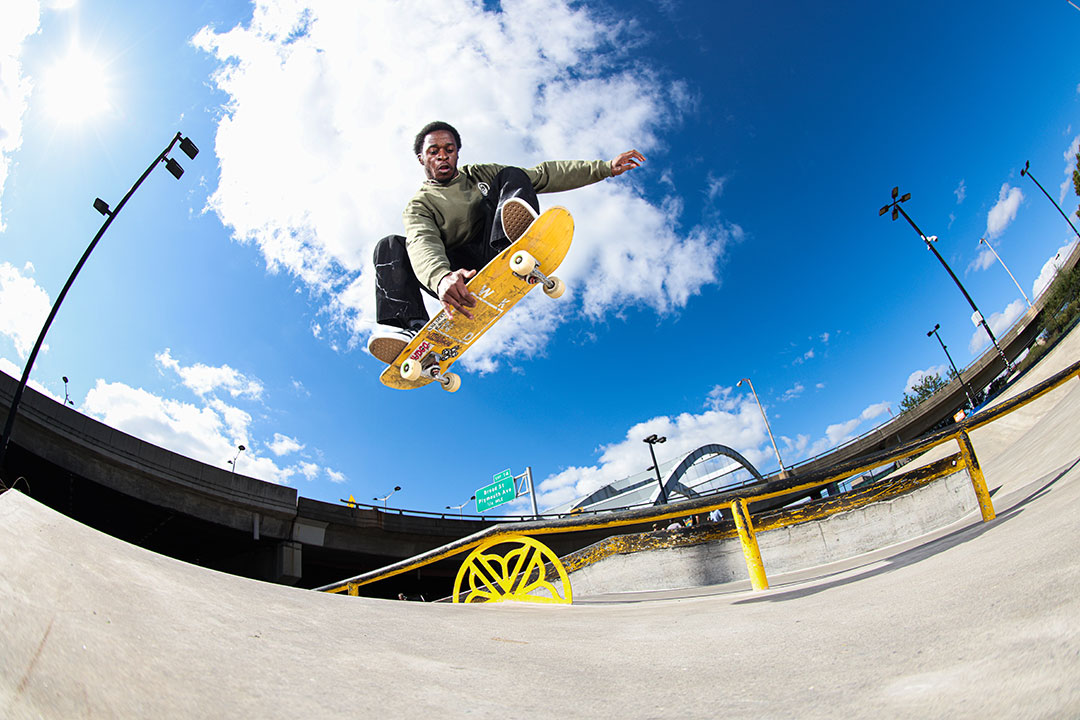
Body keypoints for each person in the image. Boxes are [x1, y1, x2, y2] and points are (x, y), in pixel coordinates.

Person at [367, 120, 645, 363]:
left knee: (513, 174)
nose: (443, 157)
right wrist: (441, 278)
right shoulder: (420, 205)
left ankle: (513, 239)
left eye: (449, 150)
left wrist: (604, 168)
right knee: (389, 246)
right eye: (434, 152)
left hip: (493, 246)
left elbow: (544, 174)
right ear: (421, 158)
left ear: (457, 154)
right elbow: (421, 241)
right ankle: (409, 330)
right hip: (456, 276)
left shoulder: (479, 174)